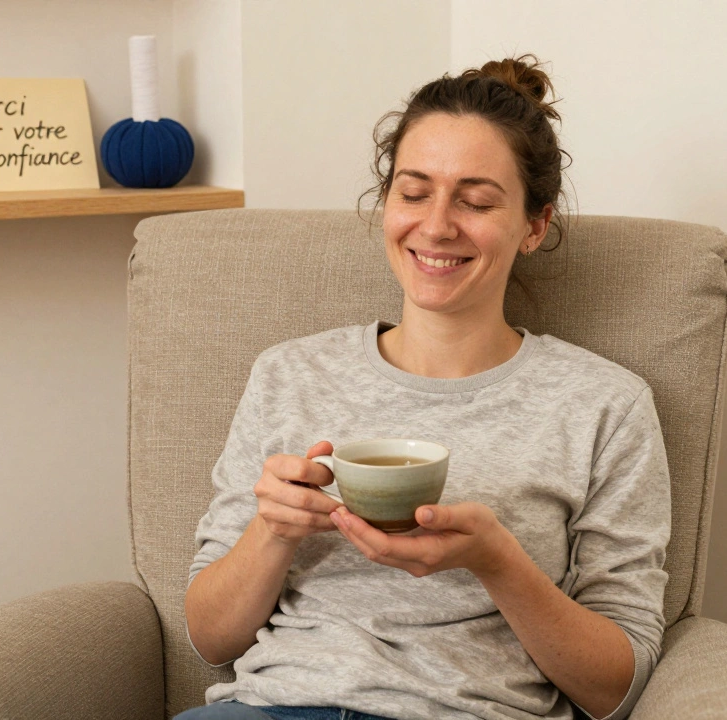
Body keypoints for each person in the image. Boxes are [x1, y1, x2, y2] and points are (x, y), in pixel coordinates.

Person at [179, 55, 671, 720]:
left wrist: (498, 561)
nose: (436, 226)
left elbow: (616, 687)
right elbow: (212, 638)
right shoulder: (289, 374)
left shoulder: (606, 406)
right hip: (273, 708)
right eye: (414, 193)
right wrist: (272, 530)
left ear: (534, 224)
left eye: (475, 201)